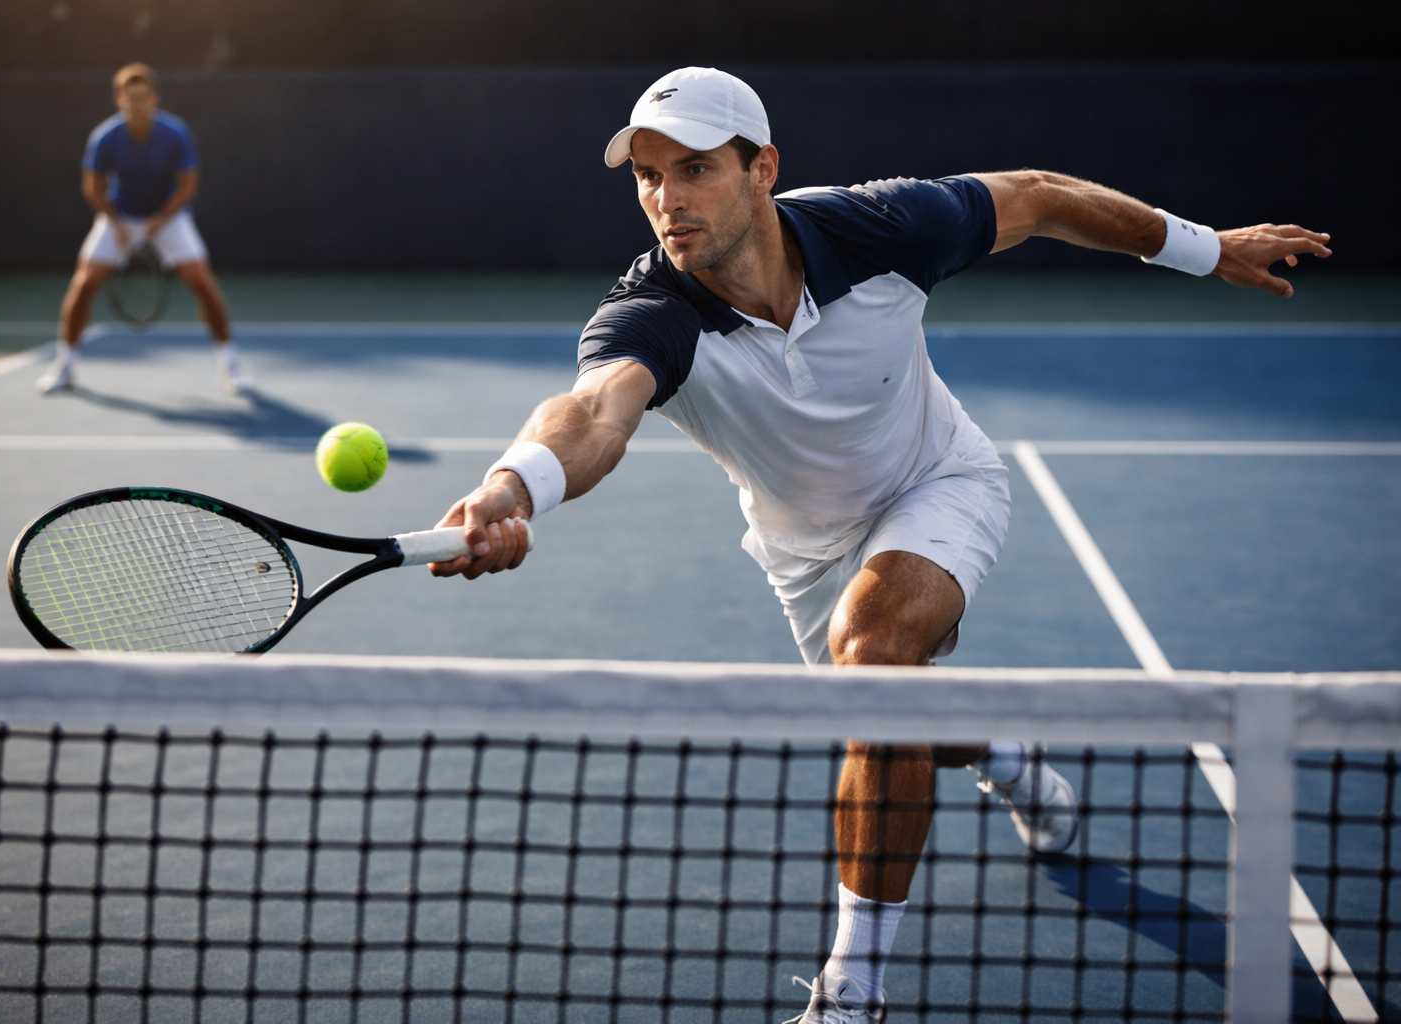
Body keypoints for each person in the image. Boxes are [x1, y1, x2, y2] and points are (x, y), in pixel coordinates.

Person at [427, 67, 1331, 1021]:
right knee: (895, 714)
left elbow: (1037, 198)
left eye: (693, 169)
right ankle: (1008, 752)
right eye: (647, 176)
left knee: (879, 652)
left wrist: (1205, 248)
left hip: (937, 482)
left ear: (762, 168)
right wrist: (510, 485)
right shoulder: (650, 312)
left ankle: (852, 991)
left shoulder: (881, 227)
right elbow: (591, 414)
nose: (666, 200)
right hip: (803, 552)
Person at [37, 63, 251, 395]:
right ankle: (65, 365)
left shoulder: (175, 133)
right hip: (118, 216)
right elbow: (92, 188)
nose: (137, 103)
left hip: (168, 217)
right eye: (130, 97)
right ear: (119, 100)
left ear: (154, 98)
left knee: (202, 284)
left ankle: (230, 364)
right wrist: (118, 223)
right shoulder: (105, 137)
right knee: (83, 285)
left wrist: (158, 221)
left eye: (143, 97)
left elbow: (187, 188)